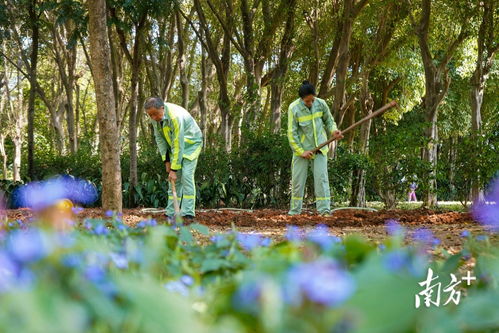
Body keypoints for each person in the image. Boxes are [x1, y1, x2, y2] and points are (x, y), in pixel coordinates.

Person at [287, 81, 343, 216]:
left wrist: (334, 131)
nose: (310, 103)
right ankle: (295, 212)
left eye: (312, 100)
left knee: (322, 180)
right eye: (307, 101)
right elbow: (291, 133)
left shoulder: (321, 103)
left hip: (320, 149)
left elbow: (329, 121)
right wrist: (301, 152)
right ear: (301, 99)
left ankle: (324, 211)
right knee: (298, 181)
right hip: (302, 151)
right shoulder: (293, 108)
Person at [144, 97, 203, 222]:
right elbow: (159, 139)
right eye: (150, 115)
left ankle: (187, 213)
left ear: (162, 108)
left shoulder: (175, 117)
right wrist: (167, 161)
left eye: (155, 114)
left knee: (186, 176)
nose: (153, 117)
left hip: (191, 144)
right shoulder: (155, 119)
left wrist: (174, 169)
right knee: (173, 181)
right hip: (176, 147)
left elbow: (178, 142)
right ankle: (171, 212)